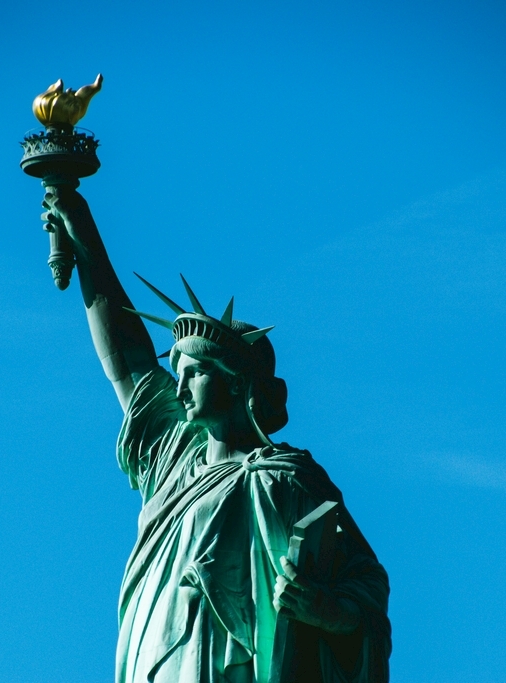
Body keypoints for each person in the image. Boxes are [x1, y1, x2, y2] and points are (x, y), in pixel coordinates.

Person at [44, 185, 391, 683]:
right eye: (177, 371)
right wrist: (85, 238)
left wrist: (326, 609)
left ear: (235, 382)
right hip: (156, 657)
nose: (178, 385)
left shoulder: (285, 480)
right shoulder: (175, 458)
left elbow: (366, 583)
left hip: (233, 661)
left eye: (195, 372)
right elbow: (128, 361)